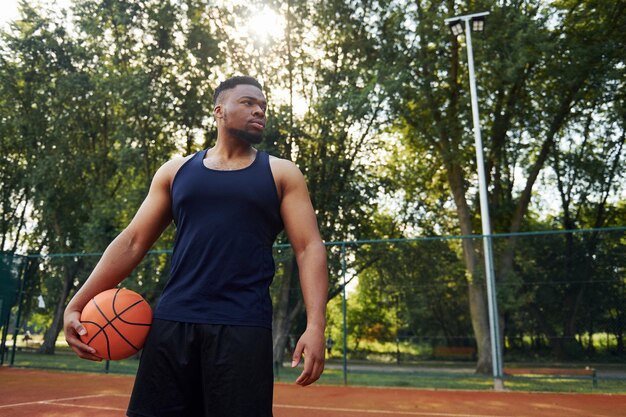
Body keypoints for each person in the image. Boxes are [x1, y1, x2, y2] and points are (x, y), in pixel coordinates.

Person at [63, 75, 329, 417]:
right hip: (172, 323)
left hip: (243, 327)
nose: (259, 111)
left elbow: (309, 247)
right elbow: (132, 241)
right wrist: (77, 304)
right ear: (219, 111)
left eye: (263, 106)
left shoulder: (281, 173)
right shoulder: (176, 171)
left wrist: (316, 325)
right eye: (248, 103)